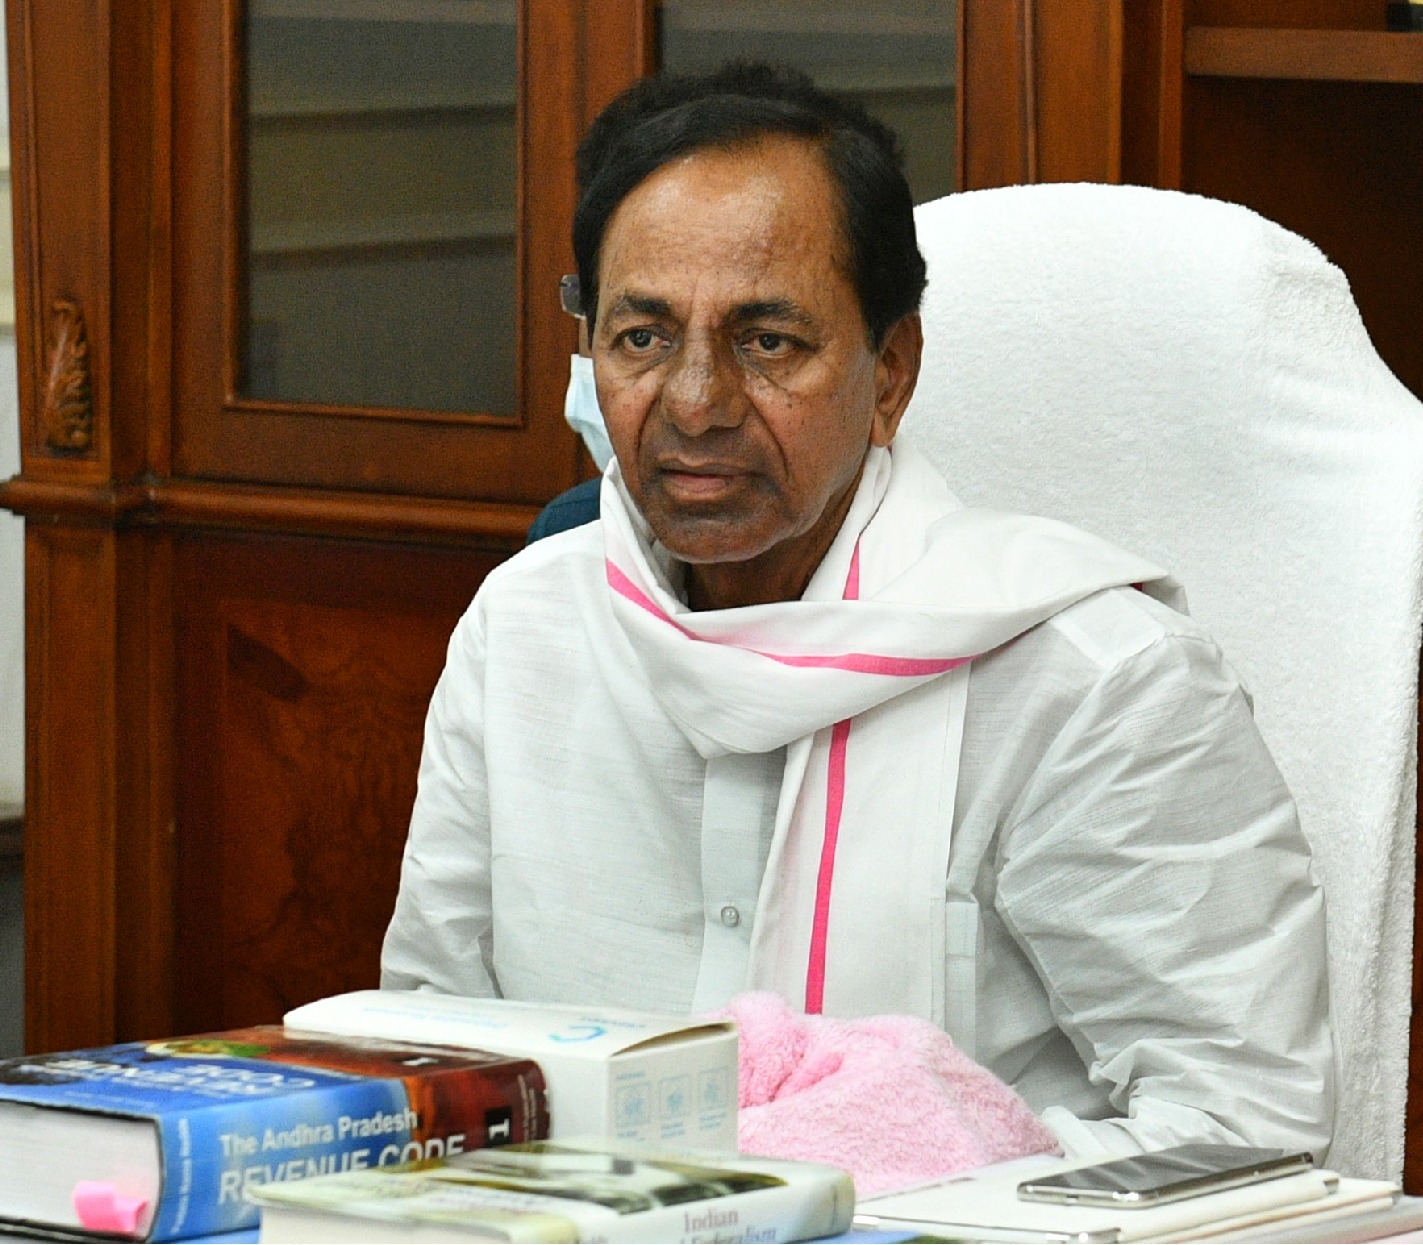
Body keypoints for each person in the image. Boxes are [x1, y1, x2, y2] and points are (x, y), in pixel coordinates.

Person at [379, 62, 1334, 1161]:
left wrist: (849, 1193)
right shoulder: (524, 626)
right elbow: (425, 1053)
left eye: (766, 342)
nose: (695, 402)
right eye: (642, 336)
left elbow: (1244, 1136)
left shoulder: (1095, 685)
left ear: (890, 373)